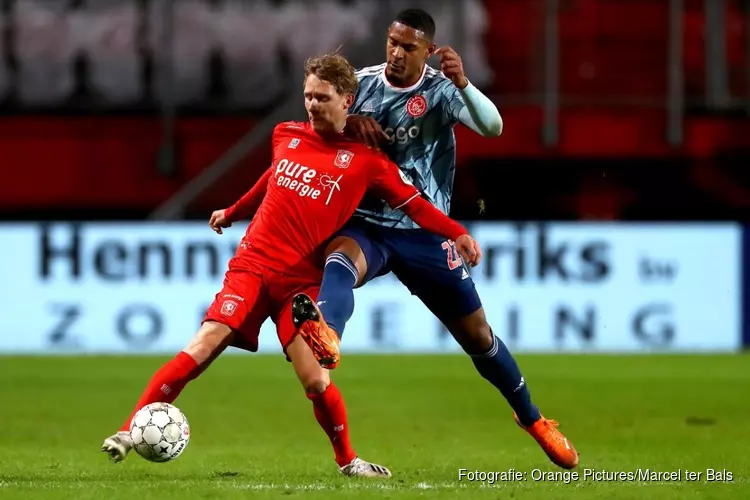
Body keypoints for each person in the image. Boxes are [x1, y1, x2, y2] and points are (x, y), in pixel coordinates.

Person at [101, 51, 482, 478]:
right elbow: (271, 177)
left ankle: (347, 461)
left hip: (301, 281)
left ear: (347, 100)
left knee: (317, 381)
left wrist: (456, 232)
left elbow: (415, 206)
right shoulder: (286, 134)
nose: (312, 105)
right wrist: (233, 210)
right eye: (308, 96)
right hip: (253, 266)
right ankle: (128, 432)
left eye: (322, 97)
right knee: (206, 342)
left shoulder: (369, 162)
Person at [291, 9, 579, 470]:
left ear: (428, 52)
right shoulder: (360, 84)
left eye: (408, 46)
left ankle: (534, 420)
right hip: (366, 221)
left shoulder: (442, 92)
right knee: (340, 261)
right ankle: (327, 335)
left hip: (424, 230)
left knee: (480, 338)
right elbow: (317, 131)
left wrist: (464, 84)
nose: (396, 53)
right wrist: (348, 128)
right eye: (392, 42)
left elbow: (493, 126)